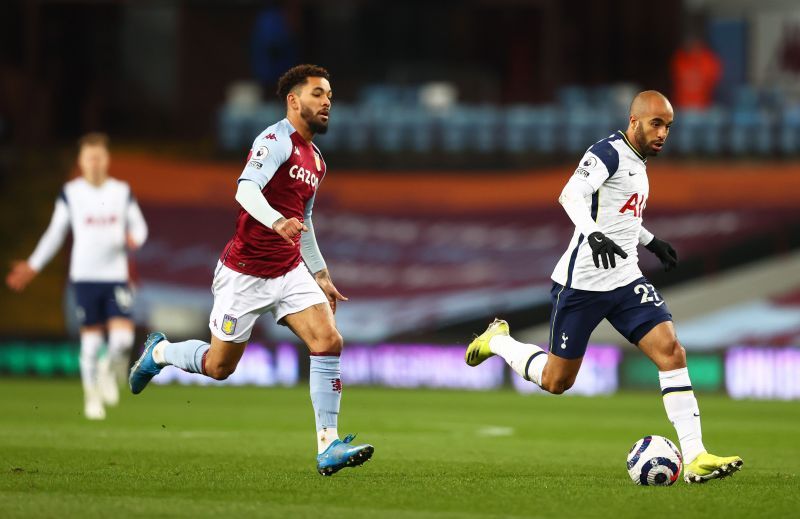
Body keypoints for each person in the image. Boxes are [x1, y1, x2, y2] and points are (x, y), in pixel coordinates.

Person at [465, 91, 743, 484]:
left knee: (671, 351)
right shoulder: (607, 152)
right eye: (656, 124)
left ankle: (695, 456)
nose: (664, 133)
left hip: (625, 278)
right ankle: (499, 341)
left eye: (669, 126)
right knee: (556, 382)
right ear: (634, 122)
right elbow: (570, 194)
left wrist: (651, 241)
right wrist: (593, 235)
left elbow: (620, 214)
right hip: (582, 284)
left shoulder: (641, 163)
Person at [128, 64, 374, 476]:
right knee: (219, 368)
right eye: (317, 93)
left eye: (329, 94)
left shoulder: (316, 160)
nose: (327, 100)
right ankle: (159, 352)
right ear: (294, 101)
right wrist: (276, 222)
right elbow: (245, 189)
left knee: (329, 340)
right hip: (243, 274)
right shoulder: (274, 140)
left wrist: (321, 273)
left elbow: (305, 219)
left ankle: (328, 444)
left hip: (289, 270)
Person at [6, 132, 148, 420]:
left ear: (106, 160)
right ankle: (91, 398)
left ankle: (108, 373)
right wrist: (34, 264)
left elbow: (140, 227)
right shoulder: (71, 193)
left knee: (122, 341)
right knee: (91, 342)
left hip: (115, 276)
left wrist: (135, 239)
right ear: (81, 161)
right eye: (89, 158)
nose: (94, 163)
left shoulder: (121, 191)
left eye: (99, 157)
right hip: (84, 276)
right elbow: (55, 233)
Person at [670, 36, 722, 109]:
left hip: (703, 108)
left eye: (694, 43)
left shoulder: (708, 60)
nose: (691, 46)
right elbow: (675, 81)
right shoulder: (679, 59)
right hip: (682, 108)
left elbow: (714, 84)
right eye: (689, 43)